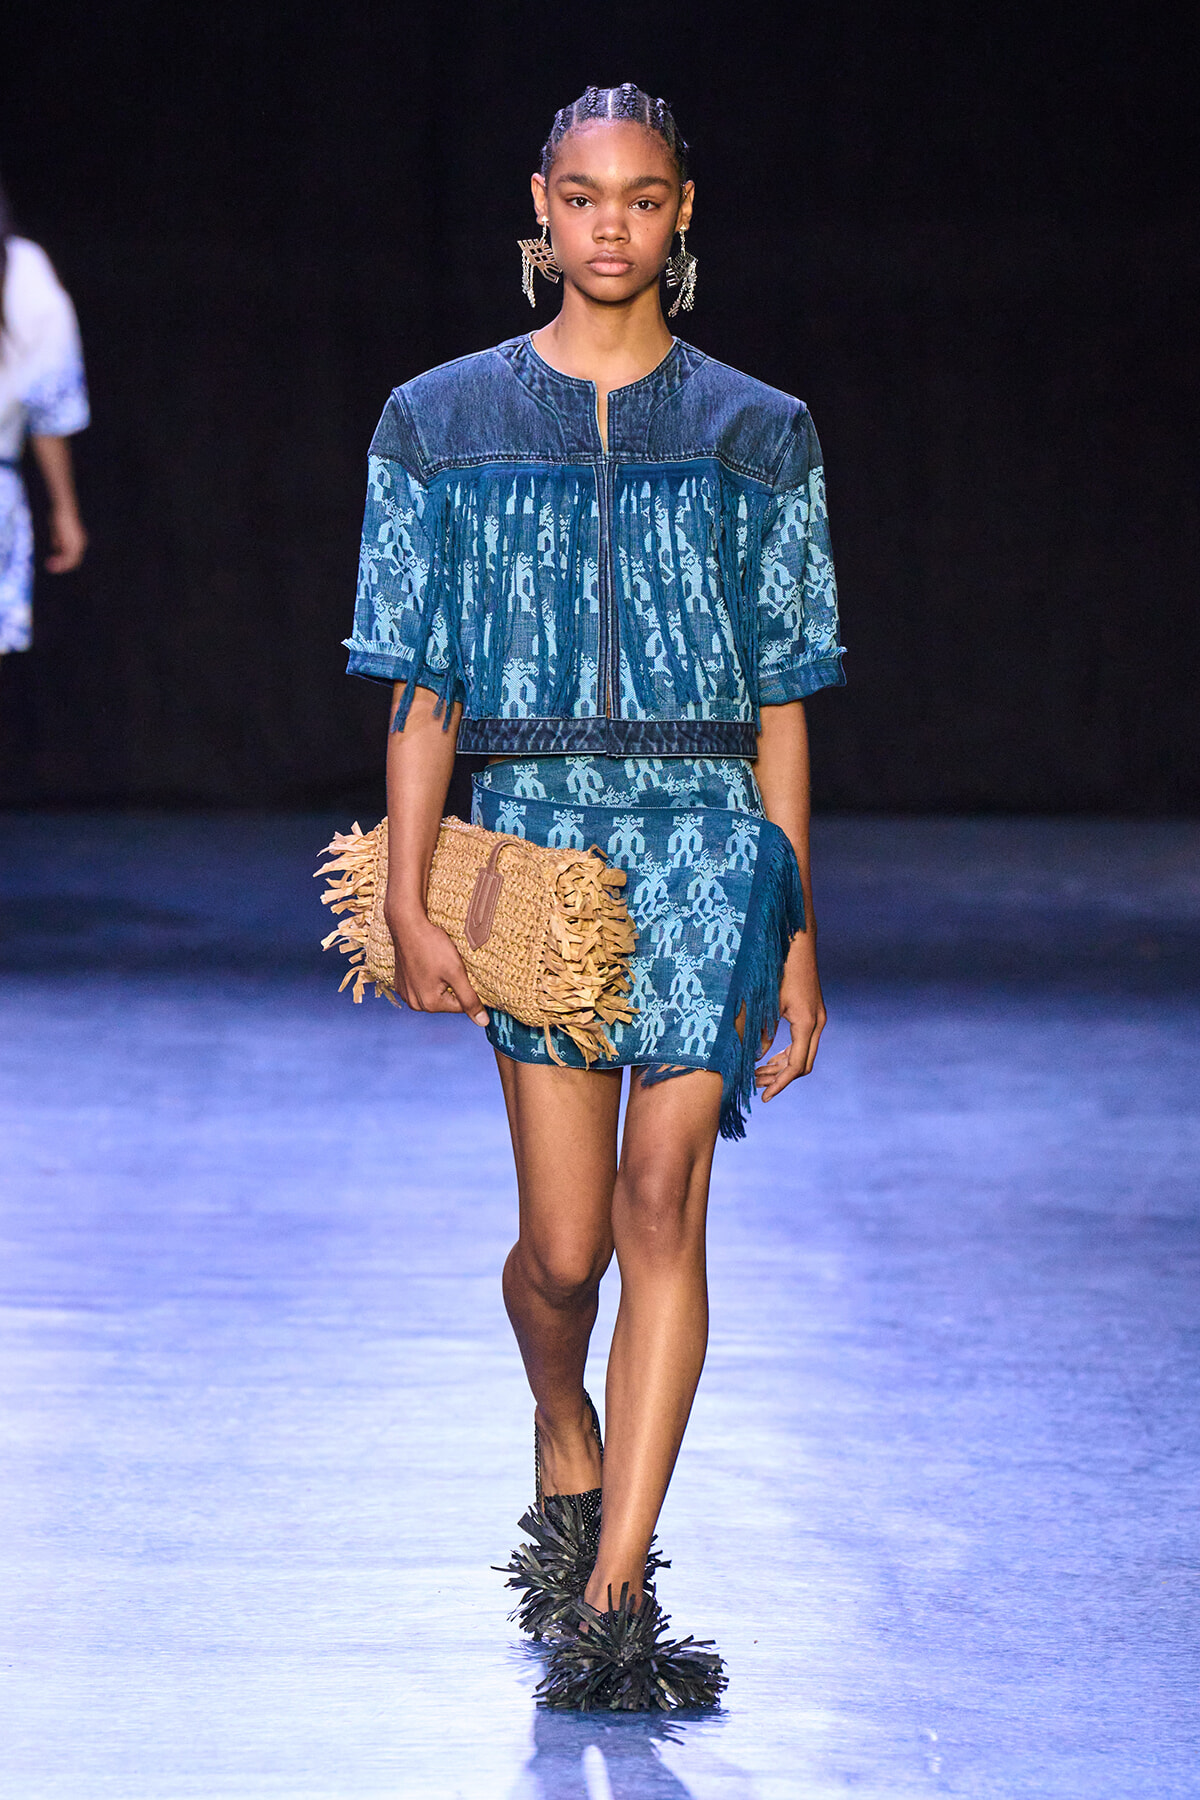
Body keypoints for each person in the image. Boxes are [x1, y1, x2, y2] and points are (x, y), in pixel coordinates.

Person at [344, 83, 844, 1710]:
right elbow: (421, 679)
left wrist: (799, 931)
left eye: (642, 197)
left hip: (710, 840)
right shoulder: (441, 420)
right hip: (537, 843)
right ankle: (562, 1419)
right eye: (583, 196)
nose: (611, 224)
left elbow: (784, 693)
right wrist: (417, 894)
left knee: (659, 1207)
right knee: (563, 1253)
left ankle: (616, 1600)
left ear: (682, 212)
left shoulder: (759, 429)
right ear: (540, 211)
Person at [0, 178, 89, 665]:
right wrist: (64, 509)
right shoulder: (24, 271)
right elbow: (51, 403)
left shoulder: (22, 272)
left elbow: (49, 400)